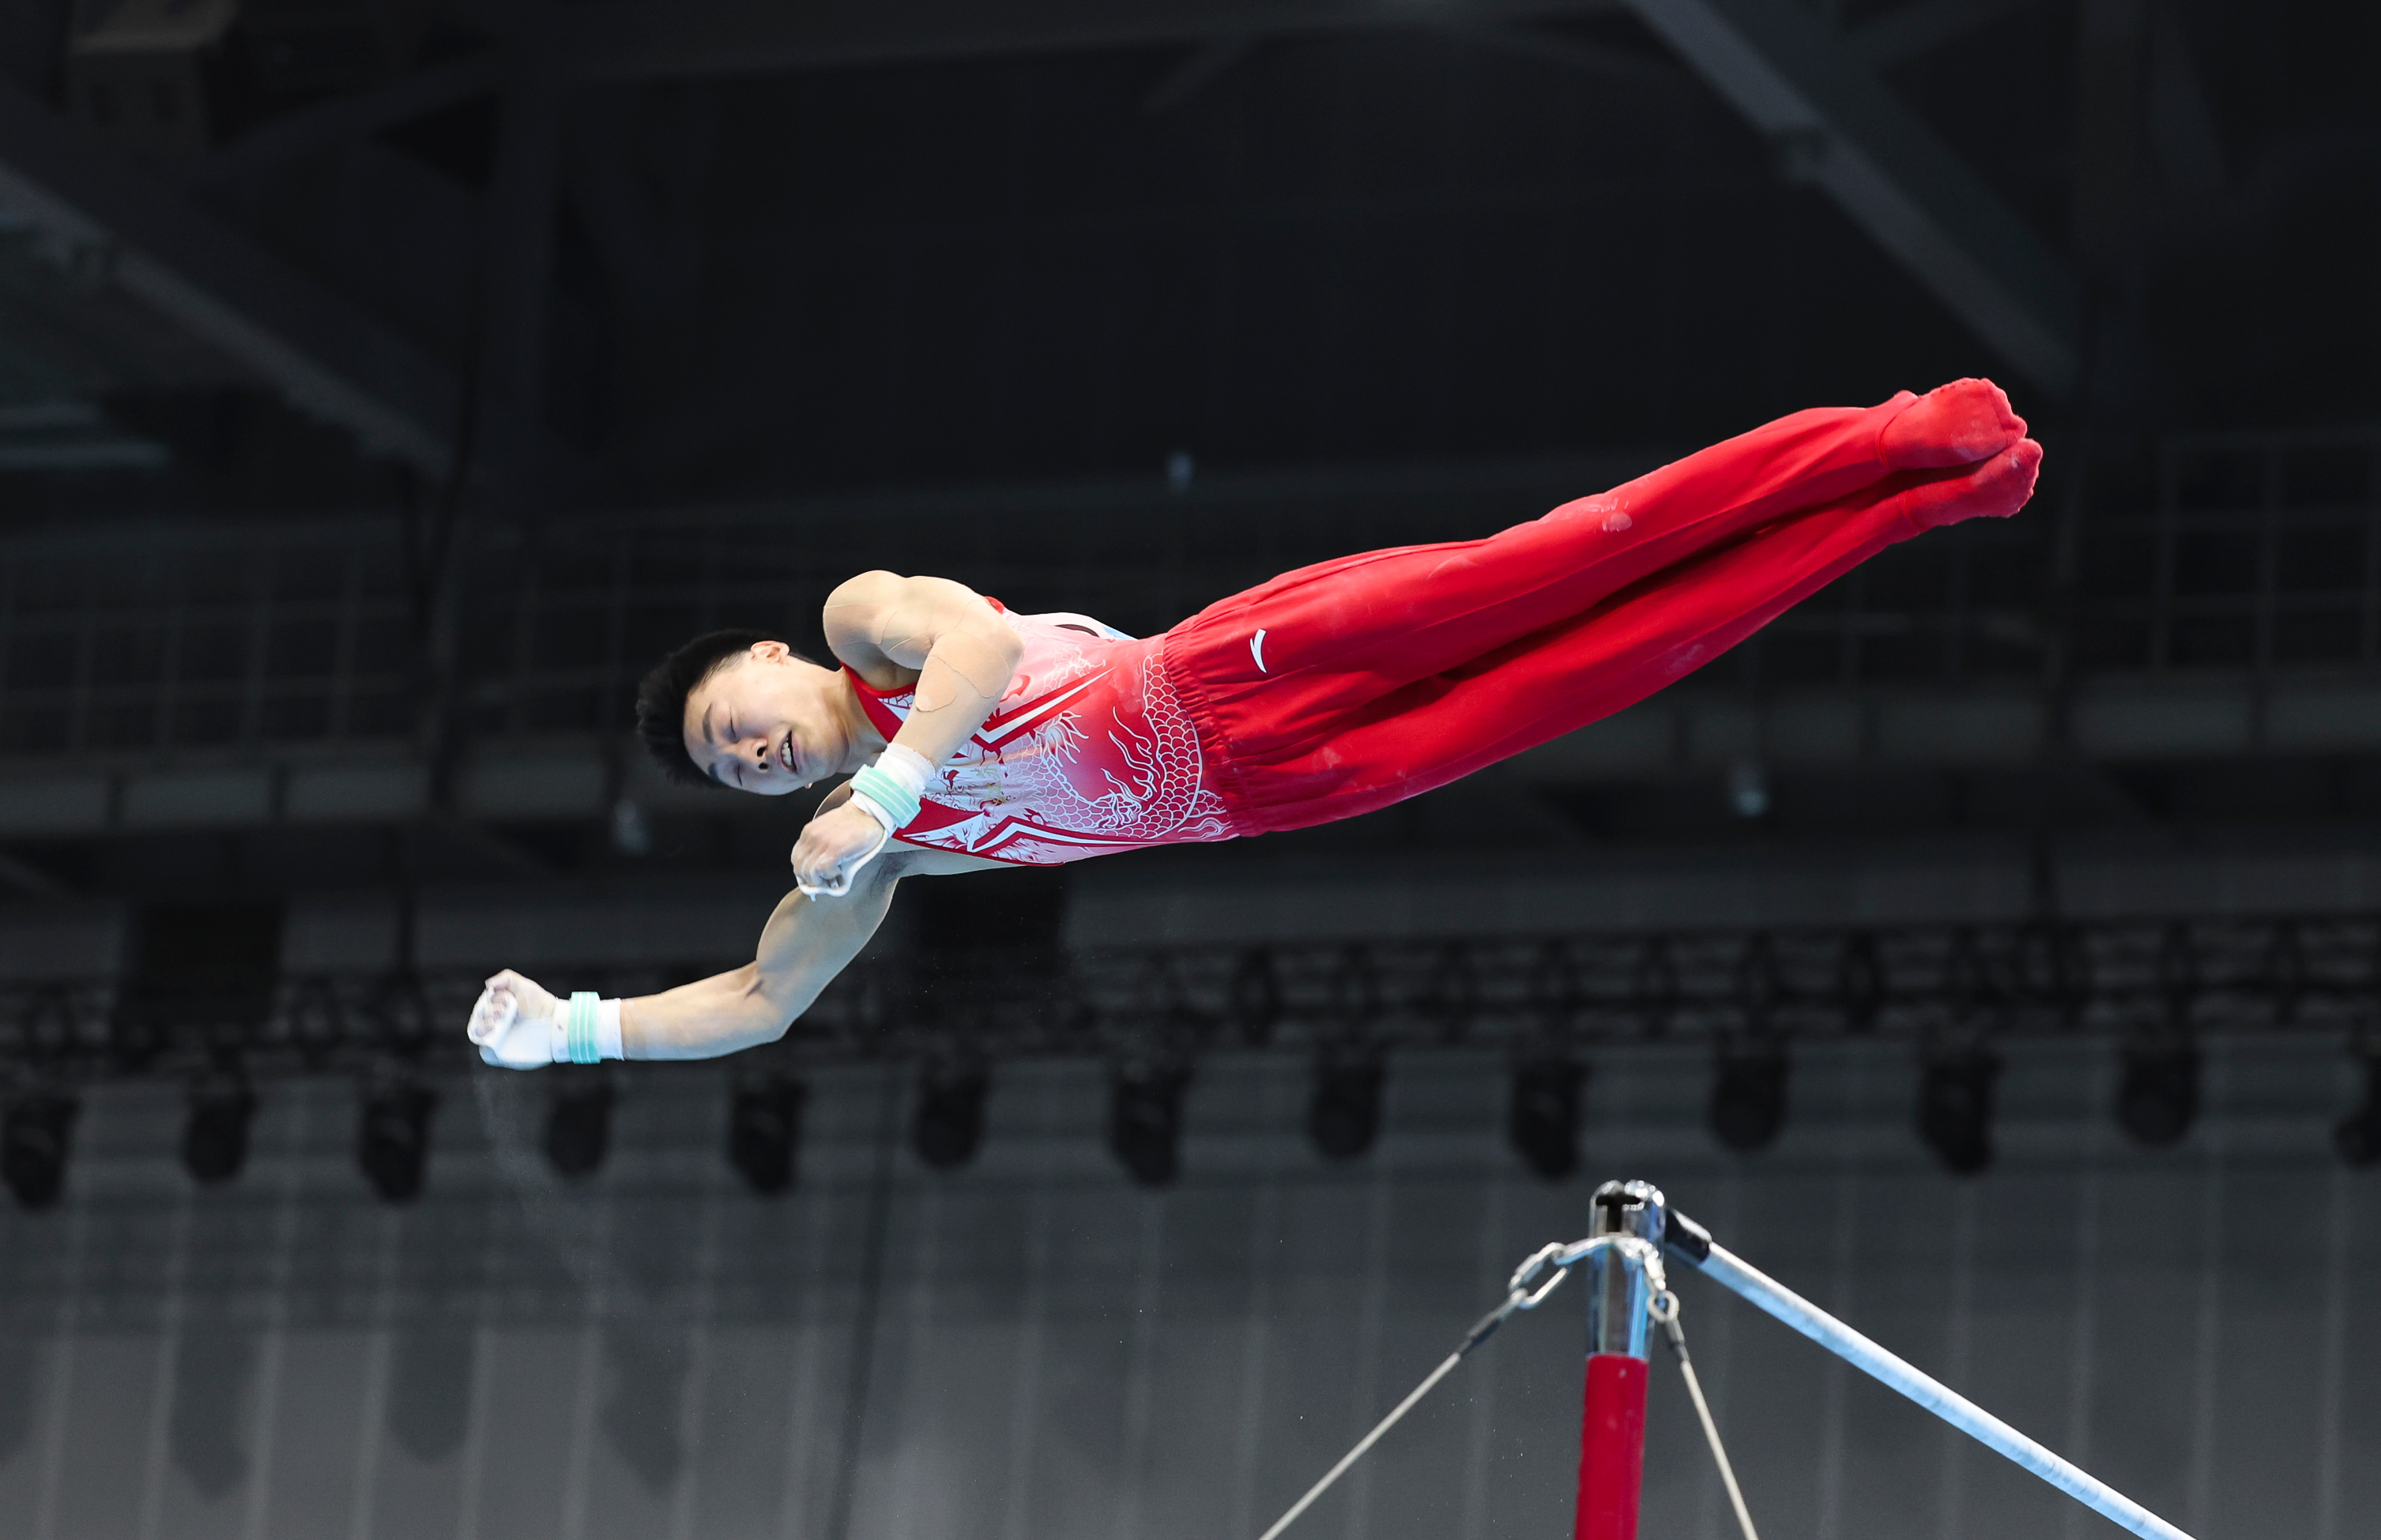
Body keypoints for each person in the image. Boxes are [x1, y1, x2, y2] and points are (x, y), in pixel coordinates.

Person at [467, 380, 2040, 1068]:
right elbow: (760, 998)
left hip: (1232, 674)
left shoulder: (854, 628)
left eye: (729, 724)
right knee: (1621, 660)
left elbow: (980, 641)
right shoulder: (866, 858)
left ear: (756, 658)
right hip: (1276, 794)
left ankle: (1886, 436)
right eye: (728, 772)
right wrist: (580, 1034)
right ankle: (1914, 511)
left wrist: (882, 784)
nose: (748, 757)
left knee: (1562, 561)